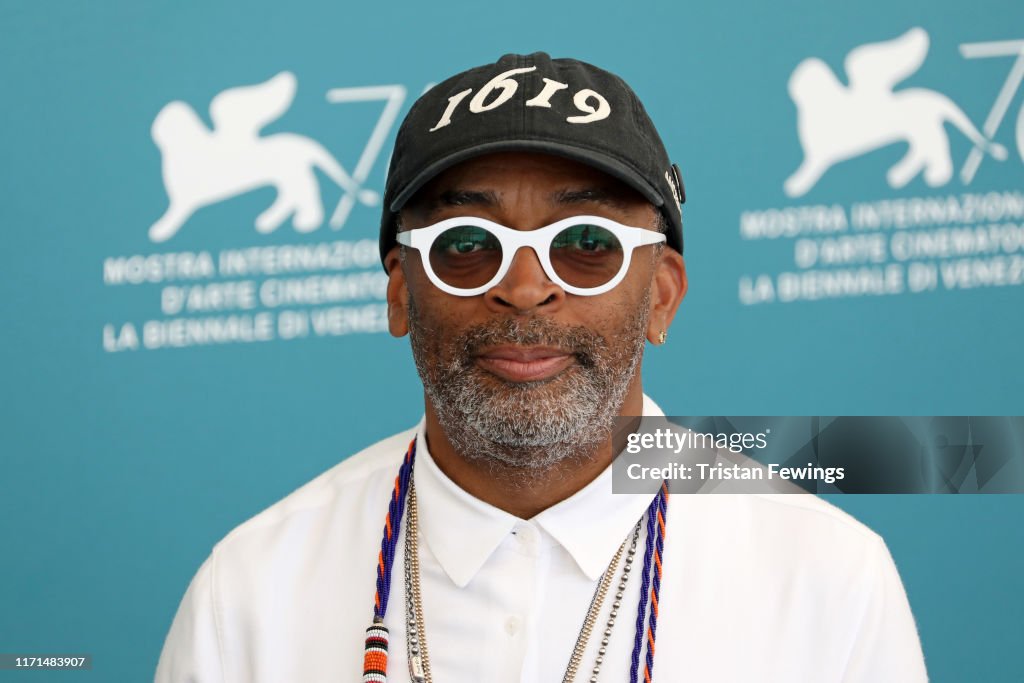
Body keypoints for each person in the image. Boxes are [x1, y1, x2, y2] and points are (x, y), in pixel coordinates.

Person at [155, 52, 929, 683]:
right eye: (466, 245)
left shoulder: (826, 577)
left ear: (661, 296)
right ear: (400, 293)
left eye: (586, 244)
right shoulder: (251, 593)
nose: (525, 288)